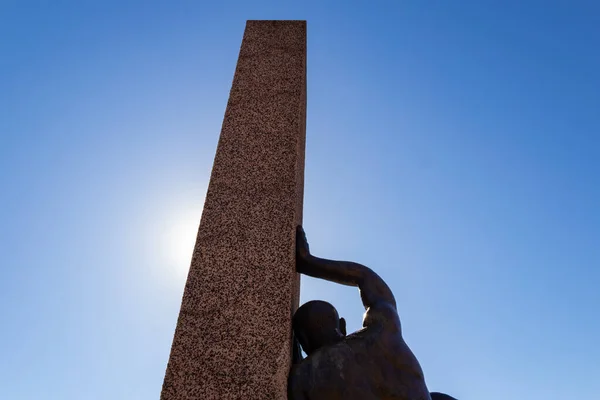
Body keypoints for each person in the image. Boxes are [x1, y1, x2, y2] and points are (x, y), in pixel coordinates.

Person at [288, 226, 432, 399]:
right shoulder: (382, 332)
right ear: (342, 325)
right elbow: (364, 277)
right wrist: (307, 262)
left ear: (303, 340)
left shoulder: (303, 377)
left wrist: (295, 358)